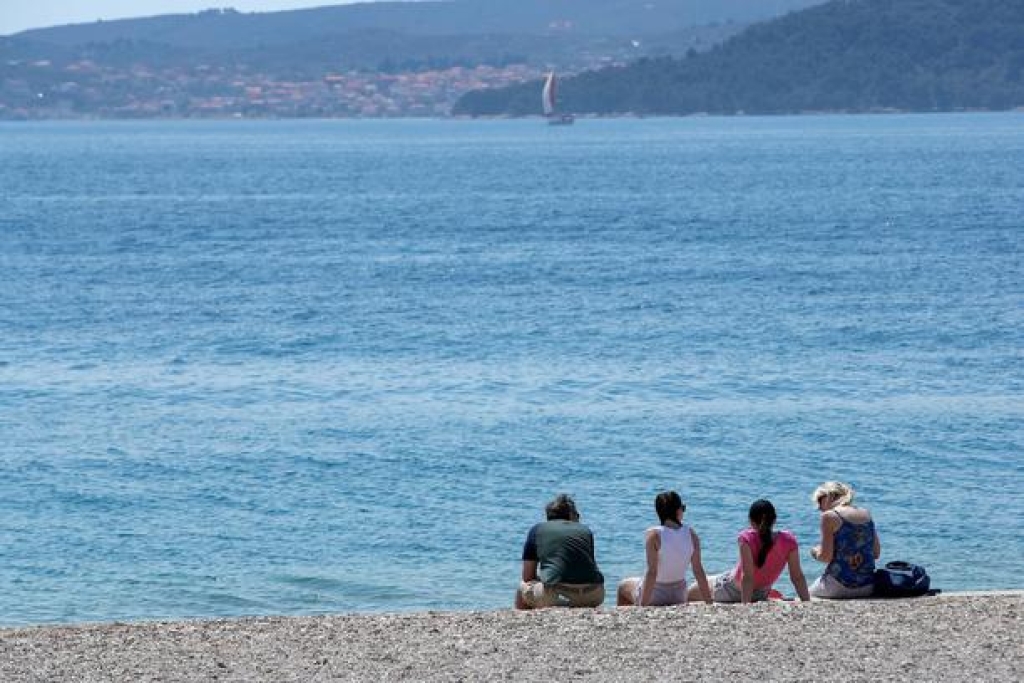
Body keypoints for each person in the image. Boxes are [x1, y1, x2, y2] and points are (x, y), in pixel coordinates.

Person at [696, 499, 811, 603]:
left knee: (693, 590)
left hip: (731, 591)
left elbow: (747, 577)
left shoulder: (746, 538)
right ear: (774, 520)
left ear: (751, 521)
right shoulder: (788, 540)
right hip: (762, 593)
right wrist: (806, 601)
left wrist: (745, 606)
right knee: (715, 577)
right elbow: (797, 577)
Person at [617, 491, 713, 606]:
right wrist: (709, 602)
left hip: (656, 595)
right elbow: (698, 570)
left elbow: (652, 572)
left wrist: (643, 606)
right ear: (678, 511)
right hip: (679, 595)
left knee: (623, 586)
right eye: (683, 508)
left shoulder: (655, 535)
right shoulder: (691, 534)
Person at [516, 493, 605, 609]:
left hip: (557, 596)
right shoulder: (585, 530)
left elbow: (527, 576)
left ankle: (526, 623)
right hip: (595, 594)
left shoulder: (537, 530)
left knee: (522, 587)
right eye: (577, 515)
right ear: (571, 515)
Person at [808, 481, 880, 599]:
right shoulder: (866, 513)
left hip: (837, 586)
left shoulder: (829, 516)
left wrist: (815, 552)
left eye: (820, 501)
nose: (819, 507)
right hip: (868, 586)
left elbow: (826, 557)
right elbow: (876, 553)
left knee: (806, 594)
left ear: (829, 497)